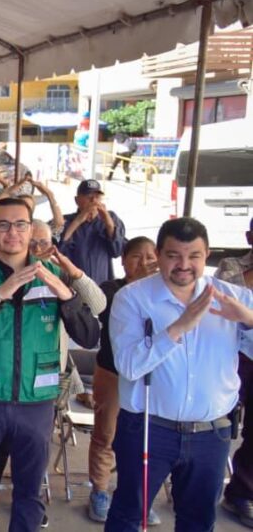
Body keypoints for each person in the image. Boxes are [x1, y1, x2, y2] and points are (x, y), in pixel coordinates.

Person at [0, 197, 100, 532]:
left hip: (37, 404)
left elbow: (89, 337)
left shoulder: (55, 276)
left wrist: (66, 295)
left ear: (31, 230)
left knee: (30, 491)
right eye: (3, 224)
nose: (12, 232)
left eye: (20, 224)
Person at [105, 217, 253, 531]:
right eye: (174, 255)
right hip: (147, 427)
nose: (184, 265)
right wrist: (178, 327)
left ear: (207, 254)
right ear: (158, 254)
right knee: (129, 516)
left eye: (194, 256)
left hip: (211, 432)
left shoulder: (234, 298)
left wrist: (249, 320)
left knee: (198, 520)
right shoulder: (132, 298)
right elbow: (129, 365)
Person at [84, 237, 159, 524]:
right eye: (137, 257)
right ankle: (100, 491)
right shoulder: (111, 290)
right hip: (113, 372)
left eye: (152, 256)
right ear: (124, 260)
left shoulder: (163, 291)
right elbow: (106, 310)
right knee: (106, 433)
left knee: (146, 437)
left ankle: (136, 495)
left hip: (151, 376)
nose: (145, 262)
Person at [218, 217, 253, 527]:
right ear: (249, 236)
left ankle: (241, 493)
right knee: (219, 425)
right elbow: (223, 302)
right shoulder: (232, 266)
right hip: (228, 354)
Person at [59, 179, 125, 286]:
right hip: (73, 287)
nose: (94, 201)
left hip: (102, 285)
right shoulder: (66, 221)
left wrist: (108, 224)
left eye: (97, 197)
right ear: (77, 200)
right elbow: (58, 251)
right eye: (89, 197)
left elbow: (116, 251)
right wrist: (78, 220)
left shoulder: (111, 218)